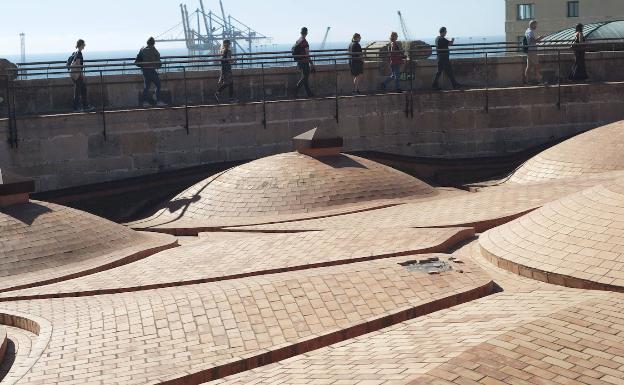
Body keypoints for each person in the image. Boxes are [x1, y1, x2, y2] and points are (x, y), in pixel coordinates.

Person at [136, 37, 167, 107]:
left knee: (146, 87)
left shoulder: (142, 50)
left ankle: (145, 102)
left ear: (147, 43)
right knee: (158, 85)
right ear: (153, 43)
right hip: (151, 70)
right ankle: (158, 100)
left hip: (145, 71)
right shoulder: (153, 50)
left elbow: (137, 62)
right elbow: (158, 61)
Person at [66, 39, 95, 112]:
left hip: (74, 75)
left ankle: (84, 106)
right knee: (78, 91)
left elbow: (69, 64)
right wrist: (82, 75)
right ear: (81, 45)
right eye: (84, 44)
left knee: (83, 90)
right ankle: (77, 108)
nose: (84, 46)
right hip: (78, 75)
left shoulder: (74, 53)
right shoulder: (79, 54)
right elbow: (78, 65)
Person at [294, 27, 314, 97]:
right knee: (305, 77)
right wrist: (311, 63)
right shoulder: (305, 42)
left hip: (299, 62)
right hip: (304, 62)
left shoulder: (298, 40)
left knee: (305, 77)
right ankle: (296, 88)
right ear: (306, 33)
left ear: (301, 32)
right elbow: (307, 54)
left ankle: (309, 93)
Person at [215, 39, 236, 103]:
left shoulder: (222, 51)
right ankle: (218, 93)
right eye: (229, 44)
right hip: (227, 69)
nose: (230, 45)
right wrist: (233, 61)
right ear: (228, 44)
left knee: (228, 83)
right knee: (229, 83)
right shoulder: (228, 51)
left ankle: (230, 98)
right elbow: (229, 60)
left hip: (224, 69)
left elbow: (224, 61)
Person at [525, 20, 544, 84]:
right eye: (535, 25)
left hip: (529, 51)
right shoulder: (530, 32)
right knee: (537, 66)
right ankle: (539, 80)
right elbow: (532, 40)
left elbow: (530, 41)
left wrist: (537, 40)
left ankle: (527, 81)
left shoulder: (527, 31)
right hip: (532, 51)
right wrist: (539, 39)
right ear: (532, 25)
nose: (536, 26)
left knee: (529, 66)